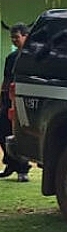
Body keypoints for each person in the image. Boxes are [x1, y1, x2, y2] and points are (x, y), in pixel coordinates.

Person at [1, 23, 31, 181]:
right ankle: (10, 162)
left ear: (26, 36)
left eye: (16, 37)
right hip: (9, 98)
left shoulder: (32, 56)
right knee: (3, 128)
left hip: (25, 99)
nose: (14, 40)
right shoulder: (11, 58)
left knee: (20, 133)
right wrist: (2, 98)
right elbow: (6, 79)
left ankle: (22, 169)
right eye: (11, 37)